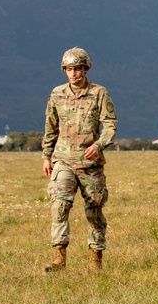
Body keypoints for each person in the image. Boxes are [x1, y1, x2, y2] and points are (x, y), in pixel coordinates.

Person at [41, 47, 117, 274]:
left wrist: (99, 145)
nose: (73, 74)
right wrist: (46, 156)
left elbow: (110, 125)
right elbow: (50, 128)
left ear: (85, 69)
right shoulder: (56, 94)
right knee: (59, 206)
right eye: (69, 69)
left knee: (94, 210)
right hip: (63, 160)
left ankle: (96, 256)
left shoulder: (99, 93)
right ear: (64, 70)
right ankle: (58, 258)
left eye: (77, 69)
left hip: (90, 163)